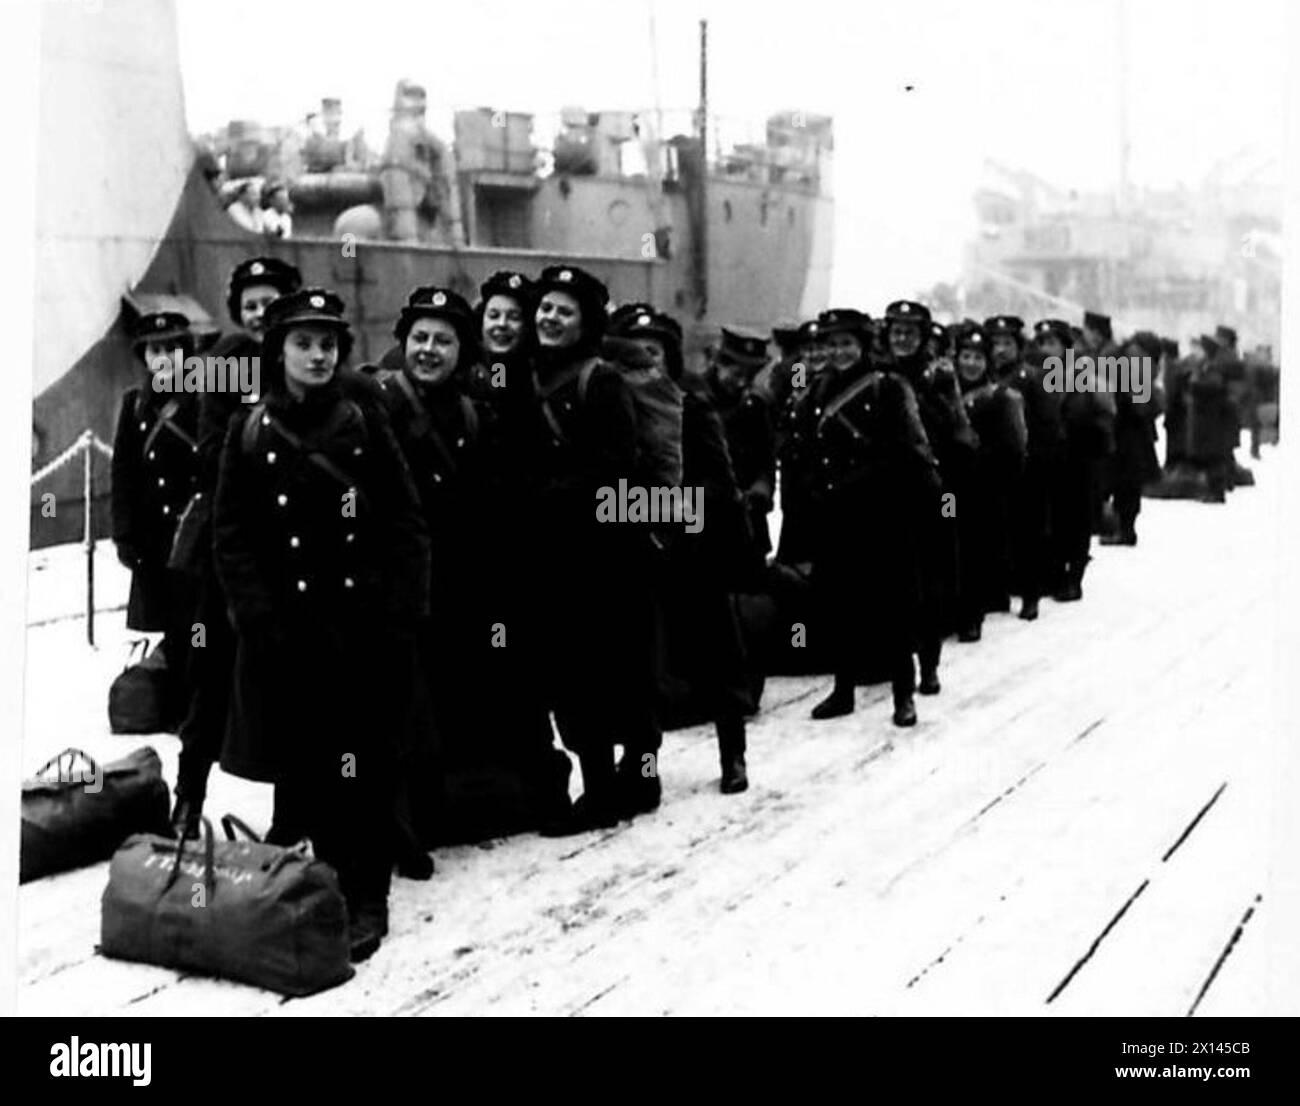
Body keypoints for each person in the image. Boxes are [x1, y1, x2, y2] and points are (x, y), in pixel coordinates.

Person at [214, 287, 430, 961]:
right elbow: (231, 532)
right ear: (278, 351)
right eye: (303, 343)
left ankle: (365, 896)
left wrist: (398, 615)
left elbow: (405, 521)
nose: (317, 355)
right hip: (287, 630)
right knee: (302, 764)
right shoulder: (248, 430)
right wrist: (256, 615)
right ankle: (311, 883)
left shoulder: (363, 420)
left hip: (359, 628)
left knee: (360, 768)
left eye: (328, 344)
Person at [515, 266, 650, 835]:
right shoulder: (523, 375)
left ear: (585, 323)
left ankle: (606, 789)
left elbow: (619, 469)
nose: (549, 318)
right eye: (545, 308)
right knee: (564, 677)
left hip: (594, 559)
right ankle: (599, 783)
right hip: (544, 557)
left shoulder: (602, 381)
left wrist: (547, 493)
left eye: (564, 311)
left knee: (597, 675)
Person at [170, 257, 301, 835]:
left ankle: (291, 813)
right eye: (249, 305)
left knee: (287, 682)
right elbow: (209, 448)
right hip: (232, 548)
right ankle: (187, 797)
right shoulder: (225, 362)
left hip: (292, 549)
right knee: (212, 674)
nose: (257, 316)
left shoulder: (298, 360)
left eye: (269, 305)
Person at [610, 306, 755, 793]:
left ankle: (733, 756)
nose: (645, 364)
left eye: (654, 353)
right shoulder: (609, 407)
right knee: (640, 667)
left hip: (693, 553)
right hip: (636, 555)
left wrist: (659, 510)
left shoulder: (692, 404)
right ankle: (643, 766)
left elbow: (720, 484)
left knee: (717, 656)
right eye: (635, 354)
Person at [789, 307, 940, 727]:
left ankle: (903, 696)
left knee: (894, 606)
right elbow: (804, 447)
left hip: (884, 513)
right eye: (832, 344)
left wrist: (854, 483)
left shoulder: (888, 387)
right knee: (840, 605)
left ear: (863, 345)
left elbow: (904, 450)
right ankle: (843, 690)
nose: (838, 352)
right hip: (836, 517)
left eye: (846, 344)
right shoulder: (815, 390)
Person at [111, 311, 201, 729]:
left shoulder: (201, 399)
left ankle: (197, 708)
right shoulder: (134, 405)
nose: (164, 357)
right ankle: (173, 706)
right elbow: (124, 473)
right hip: (153, 540)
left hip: (194, 538)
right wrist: (124, 535)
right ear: (144, 356)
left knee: (196, 626)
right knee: (166, 624)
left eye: (172, 349)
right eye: (155, 349)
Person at [884, 299, 973, 692]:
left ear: (922, 338)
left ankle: (930, 664)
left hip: (934, 492)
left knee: (931, 583)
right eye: (896, 332)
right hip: (889, 492)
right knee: (894, 586)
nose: (902, 339)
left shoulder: (937, 378)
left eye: (909, 333)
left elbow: (960, 435)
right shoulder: (879, 376)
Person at [954, 326, 1027, 639]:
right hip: (949, 488)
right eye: (965, 356)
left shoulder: (999, 397)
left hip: (983, 487)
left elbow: (1013, 447)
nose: (970, 363)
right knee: (951, 545)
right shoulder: (947, 393)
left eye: (977, 357)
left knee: (975, 549)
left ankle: (972, 616)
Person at [702, 326, 776, 585]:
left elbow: (765, 463)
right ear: (719, 363)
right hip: (702, 528)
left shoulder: (756, 406)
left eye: (750, 375)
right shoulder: (693, 401)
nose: (743, 382)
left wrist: (760, 492)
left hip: (746, 529)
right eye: (736, 374)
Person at [1052, 314, 1116, 598]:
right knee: (1060, 519)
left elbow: (1107, 417)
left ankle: (1073, 577)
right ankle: (1059, 574)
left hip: (1084, 459)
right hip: (1059, 459)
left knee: (1077, 520)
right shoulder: (1047, 377)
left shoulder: (1094, 380)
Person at [1101, 331, 1163, 546]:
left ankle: (1125, 531)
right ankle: (1124, 529)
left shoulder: (1132, 360)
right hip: (1133, 434)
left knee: (1125, 486)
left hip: (1127, 434)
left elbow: (1139, 403)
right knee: (1127, 486)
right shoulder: (1140, 361)